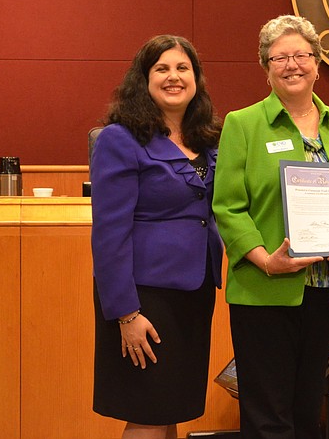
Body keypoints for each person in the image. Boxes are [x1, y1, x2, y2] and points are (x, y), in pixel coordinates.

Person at [211, 14, 329, 438]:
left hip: (326, 292)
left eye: (301, 55)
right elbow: (227, 206)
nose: (291, 64)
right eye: (279, 57)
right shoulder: (241, 125)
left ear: (318, 64)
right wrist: (265, 260)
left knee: (307, 413)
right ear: (266, 69)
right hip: (264, 292)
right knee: (267, 417)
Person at [90, 35, 224, 439]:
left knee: (171, 407)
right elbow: (109, 234)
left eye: (183, 68)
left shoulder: (209, 138)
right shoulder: (120, 139)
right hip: (144, 297)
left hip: (194, 292)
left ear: (196, 79)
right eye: (162, 69)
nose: (174, 77)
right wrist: (126, 314)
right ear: (143, 79)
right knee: (147, 411)